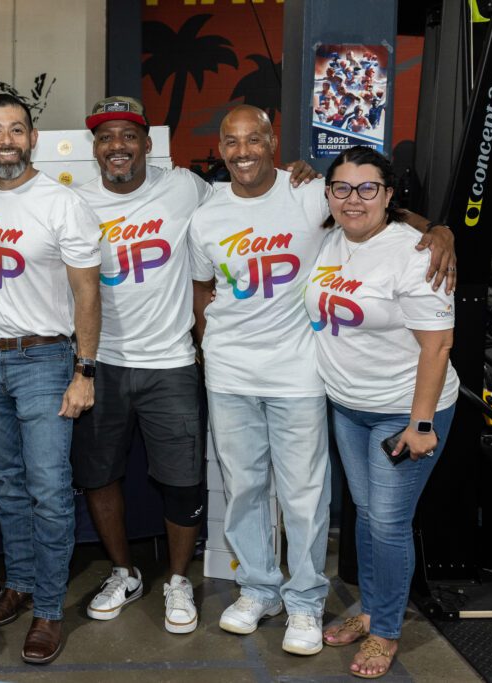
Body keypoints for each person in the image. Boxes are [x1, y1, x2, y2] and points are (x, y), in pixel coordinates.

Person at [189, 106, 455, 657]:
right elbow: (201, 292)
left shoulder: (308, 193)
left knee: (307, 496)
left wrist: (440, 230)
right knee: (243, 489)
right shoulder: (208, 213)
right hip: (234, 372)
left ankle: (306, 602)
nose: (243, 151)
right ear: (220, 147)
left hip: (300, 375)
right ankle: (259, 589)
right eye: (232, 141)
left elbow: (383, 209)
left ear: (271, 140)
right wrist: (208, 347)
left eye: (254, 139)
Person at [73, 97, 318, 634]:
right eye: (106, 136)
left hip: (175, 362)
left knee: (188, 482)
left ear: (147, 143)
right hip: (105, 362)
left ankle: (183, 580)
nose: (118, 145)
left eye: (129, 135)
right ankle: (124, 572)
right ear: (95, 146)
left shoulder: (187, 188)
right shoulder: (73, 201)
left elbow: (263, 199)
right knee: (100, 475)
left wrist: (433, 230)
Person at [306, 146, 459, 679]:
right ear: (328, 194)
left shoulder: (415, 254)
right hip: (350, 408)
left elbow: (438, 345)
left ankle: (387, 631)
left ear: (389, 196)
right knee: (367, 518)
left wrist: (420, 425)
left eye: (368, 188)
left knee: (389, 525)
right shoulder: (329, 240)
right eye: (342, 188)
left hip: (404, 412)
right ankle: (370, 609)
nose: (354, 199)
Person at [0, 93, 101, 664]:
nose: (6, 140)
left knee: (48, 489)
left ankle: (48, 608)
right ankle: (19, 583)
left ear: (33, 137)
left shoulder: (62, 203)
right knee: (7, 482)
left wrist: (84, 370)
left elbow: (87, 292)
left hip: (44, 361)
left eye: (16, 129)